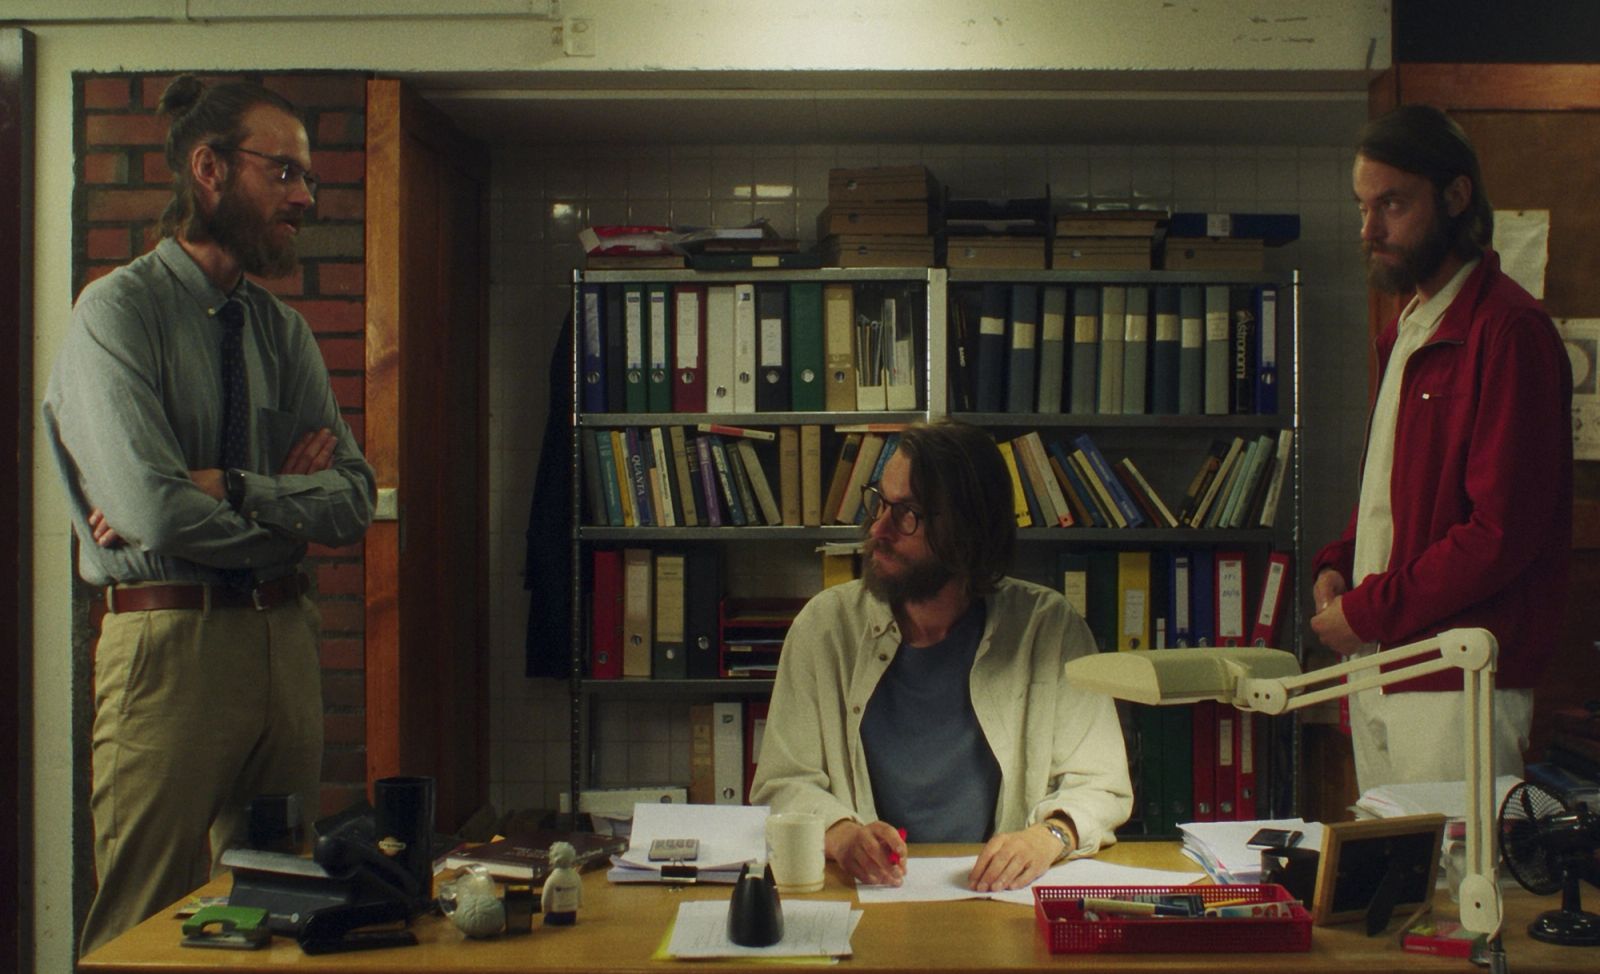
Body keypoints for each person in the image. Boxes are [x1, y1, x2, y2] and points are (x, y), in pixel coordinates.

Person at [42, 75, 376, 955]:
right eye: (285, 172)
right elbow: (152, 509)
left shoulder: (282, 332)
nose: (305, 198)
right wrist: (284, 510)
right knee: (144, 920)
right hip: (170, 645)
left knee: (279, 903)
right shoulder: (117, 313)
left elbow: (352, 500)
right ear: (210, 169)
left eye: (308, 178)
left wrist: (229, 486)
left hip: (282, 637)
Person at [749, 420, 1132, 892]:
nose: (878, 528)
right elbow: (783, 783)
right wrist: (841, 833)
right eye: (880, 502)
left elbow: (1101, 785)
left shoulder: (1047, 629)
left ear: (968, 532)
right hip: (866, 896)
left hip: (998, 897)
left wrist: (1048, 837)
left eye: (908, 513)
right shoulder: (824, 628)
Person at [1311, 104, 1572, 792]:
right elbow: (1395, 491)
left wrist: (1366, 610)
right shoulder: (1411, 327)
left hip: (1457, 675)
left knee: (1459, 861)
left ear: (1456, 196)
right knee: (1394, 861)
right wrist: (1342, 561)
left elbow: (1499, 533)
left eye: (1392, 204)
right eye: (1363, 206)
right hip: (1385, 661)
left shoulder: (1508, 330)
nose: (1369, 230)